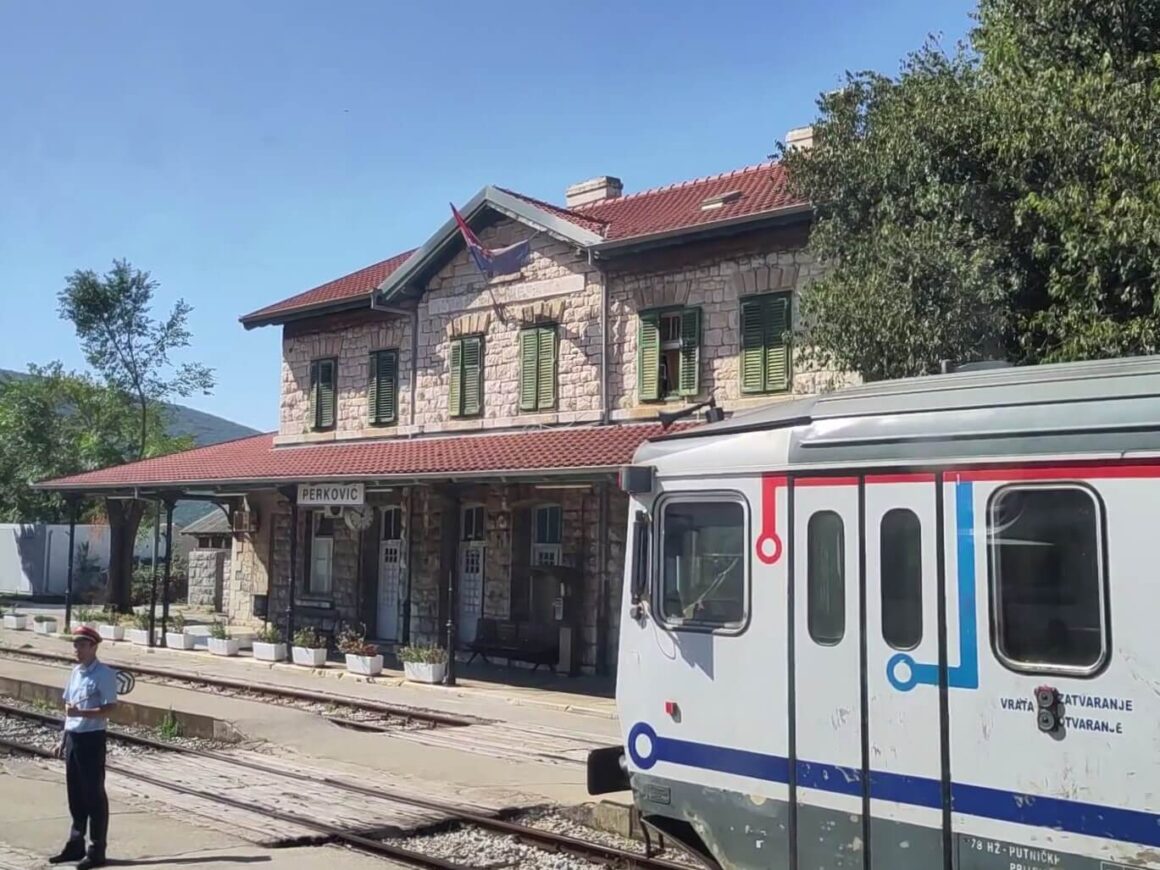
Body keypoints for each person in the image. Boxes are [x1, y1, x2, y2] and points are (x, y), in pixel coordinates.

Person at [49, 624, 118, 869]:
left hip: (92, 738)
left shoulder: (105, 674)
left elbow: (110, 708)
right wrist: (63, 739)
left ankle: (97, 849)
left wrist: (83, 712)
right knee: (75, 796)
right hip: (74, 738)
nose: (77, 649)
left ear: (93, 646)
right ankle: (75, 844)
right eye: (75, 645)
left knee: (94, 795)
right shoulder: (76, 672)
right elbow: (69, 709)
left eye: (82, 645)